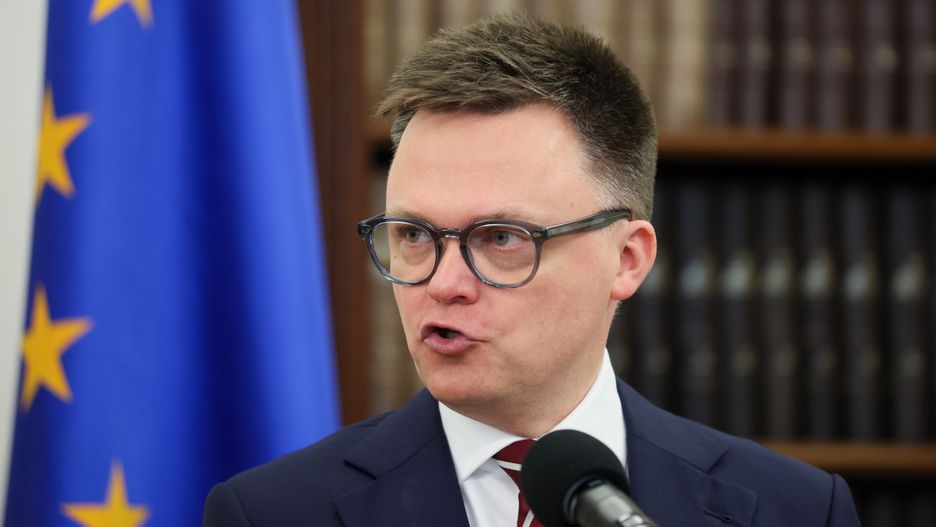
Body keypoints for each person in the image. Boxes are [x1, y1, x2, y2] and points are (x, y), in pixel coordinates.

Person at [202, 13, 861, 527]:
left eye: (501, 238)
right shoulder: (273, 512)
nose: (443, 284)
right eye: (414, 235)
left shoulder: (795, 509)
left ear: (627, 259)